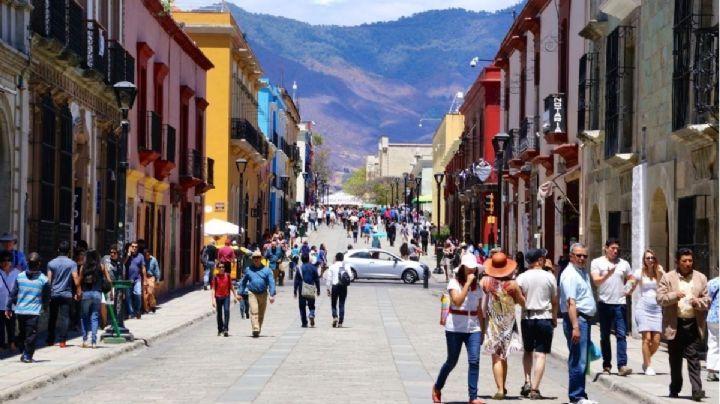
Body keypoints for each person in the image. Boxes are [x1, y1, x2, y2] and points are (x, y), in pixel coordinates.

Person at [656, 248, 709, 401]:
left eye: (690, 261)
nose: (687, 264)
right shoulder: (668, 277)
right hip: (674, 324)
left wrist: (697, 302)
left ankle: (697, 390)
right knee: (675, 359)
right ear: (677, 262)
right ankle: (675, 386)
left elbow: (707, 300)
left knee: (693, 358)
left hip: (692, 324)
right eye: (684, 261)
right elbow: (660, 298)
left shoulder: (701, 278)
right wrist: (674, 295)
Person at [432, 254, 484, 404]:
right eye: (469, 268)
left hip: (473, 328)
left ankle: (473, 397)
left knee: (474, 361)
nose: (472, 271)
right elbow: (457, 301)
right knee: (452, 361)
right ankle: (437, 386)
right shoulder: (453, 283)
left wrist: (483, 330)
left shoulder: (478, 287)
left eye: (474, 268)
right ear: (463, 268)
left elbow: (480, 310)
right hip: (455, 328)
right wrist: (467, 285)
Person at [481, 252, 524, 400]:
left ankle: (500, 388)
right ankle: (502, 386)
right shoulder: (512, 284)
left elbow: (480, 300)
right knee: (504, 357)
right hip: (509, 324)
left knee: (496, 357)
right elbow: (523, 303)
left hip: (493, 323)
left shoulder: (486, 282)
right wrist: (518, 296)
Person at [559, 243, 598, 404]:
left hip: (584, 320)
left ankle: (580, 394)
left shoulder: (581, 272)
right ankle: (576, 396)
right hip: (577, 320)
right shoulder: (570, 275)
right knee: (578, 359)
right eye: (578, 255)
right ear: (571, 256)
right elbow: (570, 303)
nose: (582, 258)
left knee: (582, 359)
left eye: (584, 256)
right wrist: (575, 326)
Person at [516, 248, 557, 400]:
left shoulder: (522, 277)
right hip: (544, 317)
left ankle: (527, 381)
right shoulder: (550, 277)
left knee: (527, 351)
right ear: (539, 260)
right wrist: (554, 317)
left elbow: (517, 295)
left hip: (527, 317)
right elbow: (554, 300)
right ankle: (535, 388)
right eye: (544, 258)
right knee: (540, 354)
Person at [590, 238, 633, 376]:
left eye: (617, 248)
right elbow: (596, 281)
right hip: (604, 303)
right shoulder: (597, 262)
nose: (615, 251)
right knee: (605, 335)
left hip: (620, 303)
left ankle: (622, 365)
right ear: (606, 248)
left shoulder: (624, 264)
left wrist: (629, 288)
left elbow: (631, 278)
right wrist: (608, 274)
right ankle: (607, 364)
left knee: (621, 335)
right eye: (613, 248)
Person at [5, 252, 49, 363]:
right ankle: (27, 355)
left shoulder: (20, 276)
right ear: (39, 264)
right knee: (31, 335)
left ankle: (24, 352)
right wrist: (45, 307)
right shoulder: (43, 279)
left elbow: (13, 294)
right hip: (33, 312)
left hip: (20, 311)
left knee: (23, 333)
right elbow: (46, 296)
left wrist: (8, 307)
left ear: (27, 263)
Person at [627, 249, 665, 375]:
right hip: (643, 307)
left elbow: (666, 285)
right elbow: (631, 282)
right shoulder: (640, 272)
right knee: (647, 338)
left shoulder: (659, 272)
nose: (650, 260)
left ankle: (645, 360)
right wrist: (627, 289)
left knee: (656, 341)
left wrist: (661, 273)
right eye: (647, 258)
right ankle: (648, 366)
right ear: (644, 260)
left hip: (656, 308)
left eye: (652, 258)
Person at [46, 240, 80, 348]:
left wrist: (47, 295)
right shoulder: (72, 264)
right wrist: (78, 290)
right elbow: (75, 278)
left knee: (53, 317)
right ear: (69, 252)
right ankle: (62, 341)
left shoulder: (51, 263)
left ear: (58, 250)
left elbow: (49, 281)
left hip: (54, 294)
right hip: (67, 294)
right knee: (65, 318)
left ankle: (51, 339)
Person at [239, 250, 276, 337]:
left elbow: (271, 282)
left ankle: (258, 328)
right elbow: (243, 282)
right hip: (252, 293)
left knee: (261, 313)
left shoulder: (267, 270)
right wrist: (239, 293)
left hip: (263, 293)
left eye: (258, 258)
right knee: (254, 311)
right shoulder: (248, 270)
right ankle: (255, 328)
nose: (256, 259)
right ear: (252, 259)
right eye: (254, 258)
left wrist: (272, 294)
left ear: (261, 259)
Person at [79, 250, 112, 348]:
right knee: (95, 317)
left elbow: (78, 281)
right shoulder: (101, 266)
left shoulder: (83, 267)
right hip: (97, 293)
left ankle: (85, 340)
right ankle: (93, 341)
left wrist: (78, 291)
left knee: (84, 317)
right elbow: (109, 279)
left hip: (86, 294)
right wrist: (109, 290)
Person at [211, 264, 239, 337]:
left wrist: (235, 296)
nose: (221, 268)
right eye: (220, 267)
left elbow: (231, 287)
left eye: (223, 267)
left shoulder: (228, 276)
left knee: (226, 311)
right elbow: (213, 289)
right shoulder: (215, 277)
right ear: (217, 268)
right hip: (218, 297)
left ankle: (226, 329)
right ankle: (220, 329)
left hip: (226, 296)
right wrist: (213, 300)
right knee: (219, 313)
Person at [0, 250, 20, 351]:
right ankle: (1, 345)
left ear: (11, 261)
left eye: (8, 260)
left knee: (11, 326)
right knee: (0, 327)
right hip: (0, 304)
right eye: (3, 260)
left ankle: (12, 343)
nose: (6, 262)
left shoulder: (16, 273)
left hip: (11, 305)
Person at [294, 253, 320, 327]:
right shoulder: (313, 268)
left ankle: (304, 322)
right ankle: (311, 314)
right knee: (311, 305)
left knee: (302, 307)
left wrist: (295, 291)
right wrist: (318, 290)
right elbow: (317, 280)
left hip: (302, 288)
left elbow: (296, 280)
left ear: (301, 260)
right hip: (310, 287)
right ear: (308, 259)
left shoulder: (299, 268)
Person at [325, 252, 349, 327]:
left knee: (333, 304)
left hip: (335, 286)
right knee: (342, 304)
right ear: (342, 258)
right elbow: (350, 276)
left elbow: (328, 279)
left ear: (336, 258)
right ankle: (340, 322)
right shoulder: (346, 266)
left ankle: (335, 317)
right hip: (343, 287)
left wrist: (328, 289)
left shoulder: (332, 266)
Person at [124, 240, 146, 319]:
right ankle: (130, 312)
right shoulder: (126, 255)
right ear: (130, 247)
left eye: (136, 247)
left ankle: (138, 310)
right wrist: (128, 255)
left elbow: (143, 268)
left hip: (137, 279)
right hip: (127, 280)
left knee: (138, 294)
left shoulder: (140, 256)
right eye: (132, 247)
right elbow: (123, 263)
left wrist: (145, 279)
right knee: (128, 297)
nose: (134, 248)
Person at [707, 274, 719, 382]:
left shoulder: (711, 283)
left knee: (713, 344)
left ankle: (711, 371)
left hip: (712, 317)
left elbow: (707, 300)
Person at [143, 249, 160, 314]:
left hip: (151, 277)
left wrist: (158, 279)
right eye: (145, 255)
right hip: (144, 278)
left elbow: (157, 270)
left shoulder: (153, 260)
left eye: (148, 255)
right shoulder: (143, 260)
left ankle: (152, 305)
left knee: (150, 292)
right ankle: (146, 308)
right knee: (144, 294)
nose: (147, 256)